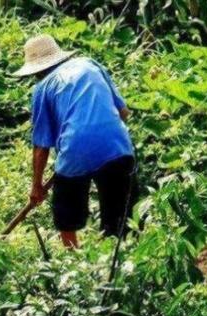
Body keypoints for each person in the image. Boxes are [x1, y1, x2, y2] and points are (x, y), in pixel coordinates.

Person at [13, 34, 138, 249]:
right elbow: (123, 112)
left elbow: (41, 146)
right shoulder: (90, 65)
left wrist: (36, 187)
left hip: (75, 150)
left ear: (37, 71)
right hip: (118, 146)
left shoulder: (42, 89)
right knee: (121, 216)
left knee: (65, 212)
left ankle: (72, 256)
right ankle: (121, 259)